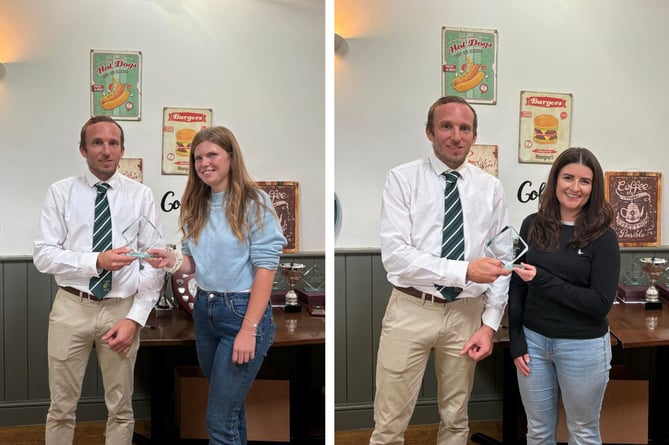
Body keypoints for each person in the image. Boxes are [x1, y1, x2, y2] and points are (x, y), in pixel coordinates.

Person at [371, 95, 512, 445]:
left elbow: (501, 257)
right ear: (430, 133)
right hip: (410, 308)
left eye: (465, 128)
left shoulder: (490, 188)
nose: (456, 135)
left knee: (456, 418)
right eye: (446, 126)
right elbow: (396, 256)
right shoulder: (402, 179)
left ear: (474, 136)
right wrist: (464, 271)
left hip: (467, 314)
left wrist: (490, 324)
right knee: (389, 423)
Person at [145, 126, 286, 445]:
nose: (204, 163)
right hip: (205, 311)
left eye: (212, 155)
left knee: (219, 420)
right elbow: (193, 264)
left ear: (231, 158)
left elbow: (266, 270)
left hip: (241, 313)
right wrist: (169, 260)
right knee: (230, 412)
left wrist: (249, 329)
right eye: (197, 158)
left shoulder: (254, 201)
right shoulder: (197, 202)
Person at [32, 116, 165, 445]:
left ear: (122, 150)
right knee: (61, 408)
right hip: (71, 309)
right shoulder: (60, 193)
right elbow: (43, 255)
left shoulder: (141, 195)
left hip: (121, 309)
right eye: (97, 143)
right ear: (83, 149)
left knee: (121, 408)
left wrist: (135, 318)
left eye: (113, 143)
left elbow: (155, 260)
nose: (106, 150)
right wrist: (96, 261)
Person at [508, 147, 620, 445]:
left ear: (594, 188)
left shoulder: (603, 236)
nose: (575, 187)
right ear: (555, 179)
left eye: (585, 181)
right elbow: (517, 286)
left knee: (582, 432)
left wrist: (542, 279)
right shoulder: (532, 224)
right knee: (538, 431)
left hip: (583, 348)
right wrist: (516, 341)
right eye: (568, 177)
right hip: (533, 344)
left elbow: (598, 304)